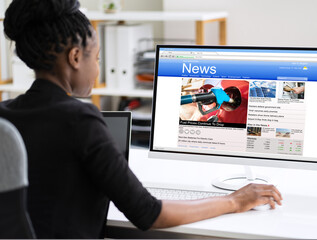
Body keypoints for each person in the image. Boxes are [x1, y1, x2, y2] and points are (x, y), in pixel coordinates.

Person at [0, 0, 282, 238]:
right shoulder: (78, 120)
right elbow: (148, 213)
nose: (98, 69)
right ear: (75, 57)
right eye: (96, 58)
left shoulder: (5, 115)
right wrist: (234, 200)